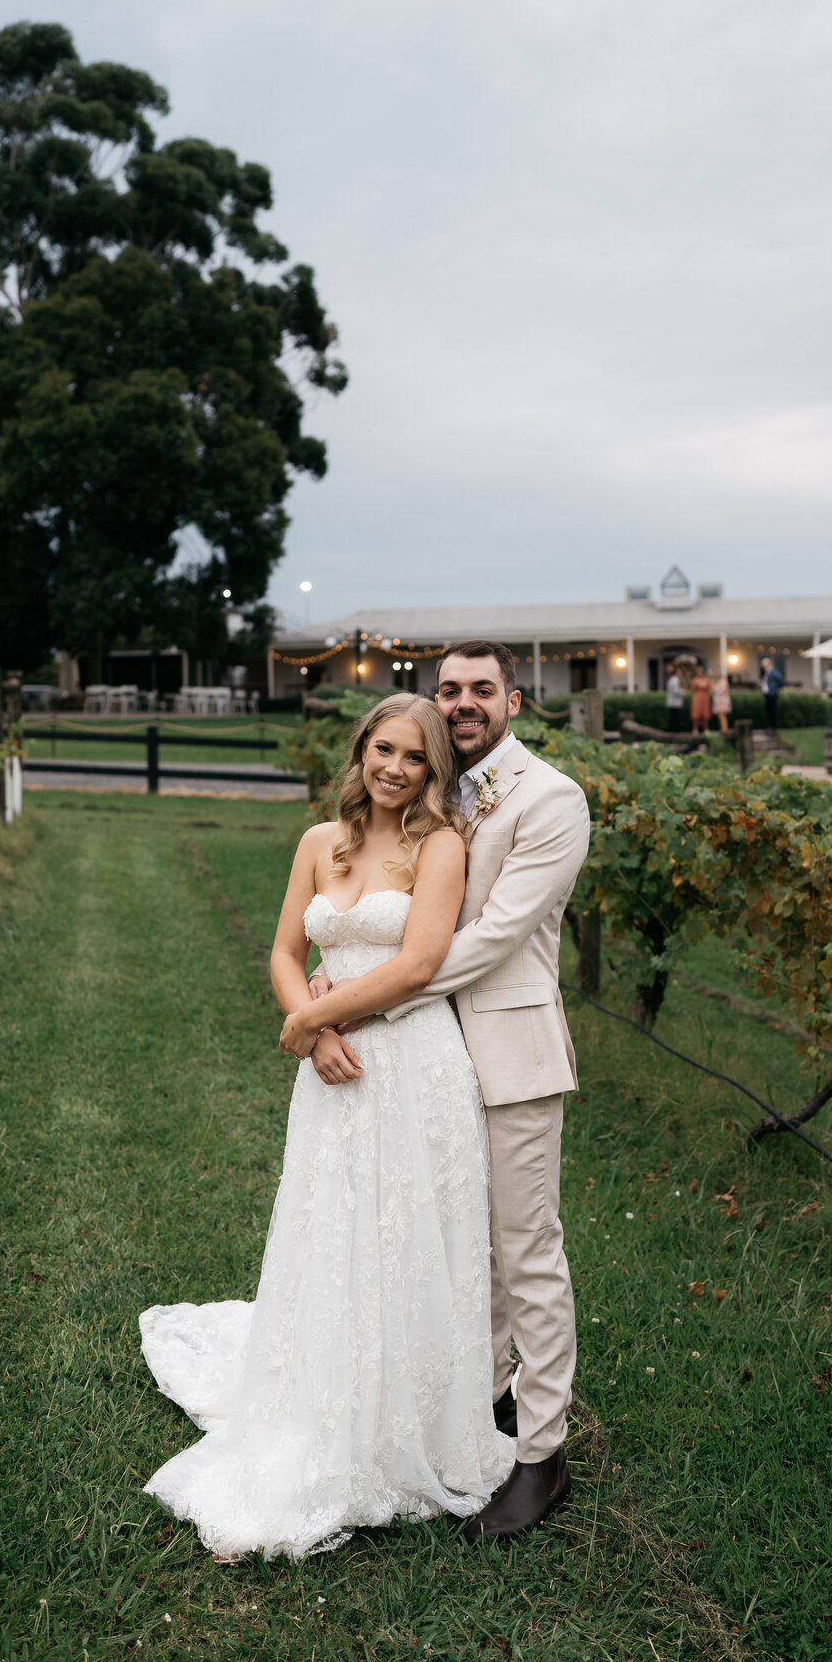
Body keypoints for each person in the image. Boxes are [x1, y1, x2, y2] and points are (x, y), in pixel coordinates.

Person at [138, 693, 515, 1560]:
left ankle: (404, 1423)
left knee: (405, 1235)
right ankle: (316, 1397)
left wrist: (319, 1019)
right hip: (334, 1065)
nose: (394, 768)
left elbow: (420, 963)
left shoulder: (441, 848)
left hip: (411, 1061)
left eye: (414, 759)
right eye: (383, 749)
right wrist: (310, 1031)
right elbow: (283, 953)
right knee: (332, 1227)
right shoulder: (319, 842)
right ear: (362, 751)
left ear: (433, 772)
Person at [312, 642, 590, 1541]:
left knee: (525, 1249)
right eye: (449, 691)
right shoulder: (443, 794)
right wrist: (338, 973)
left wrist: (365, 997)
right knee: (458, 1241)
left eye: (481, 690)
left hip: (506, 1052)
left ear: (514, 698)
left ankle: (542, 1458)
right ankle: (486, 1403)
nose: (462, 704)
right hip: (429, 1061)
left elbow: (490, 940)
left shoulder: (551, 800)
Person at [760, 656, 783, 730]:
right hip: (767, 694)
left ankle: (773, 726)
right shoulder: (766, 672)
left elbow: (780, 678)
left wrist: (777, 688)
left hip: (772, 694)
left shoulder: (772, 671)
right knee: (768, 710)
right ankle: (770, 725)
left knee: (772, 710)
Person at [689, 666, 713, 736]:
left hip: (704, 697)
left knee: (705, 712)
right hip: (697, 697)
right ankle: (695, 729)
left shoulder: (707, 679)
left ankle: (706, 729)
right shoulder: (694, 680)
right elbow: (692, 688)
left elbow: (710, 688)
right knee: (696, 712)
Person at [665, 666, 685, 733]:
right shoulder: (675, 680)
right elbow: (675, 691)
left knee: (673, 717)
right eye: (679, 672)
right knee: (674, 718)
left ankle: (672, 730)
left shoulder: (673, 679)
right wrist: (682, 692)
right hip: (674, 703)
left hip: (673, 703)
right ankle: (674, 731)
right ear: (676, 673)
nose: (680, 674)